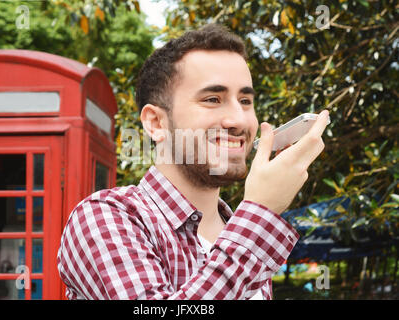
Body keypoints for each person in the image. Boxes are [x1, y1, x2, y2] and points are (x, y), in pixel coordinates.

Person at [57, 24, 330, 300]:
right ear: (156, 122)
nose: (238, 120)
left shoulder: (240, 231)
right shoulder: (105, 218)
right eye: (213, 99)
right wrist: (259, 212)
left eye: (245, 100)